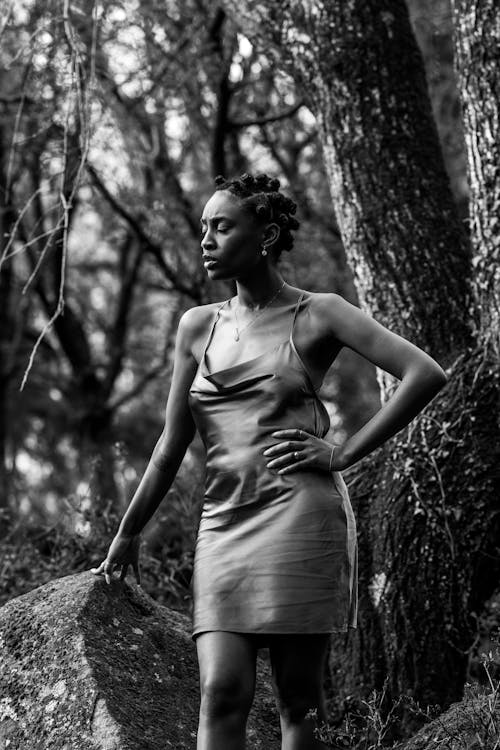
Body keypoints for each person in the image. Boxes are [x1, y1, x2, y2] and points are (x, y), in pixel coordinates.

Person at [91, 172, 448, 750]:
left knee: (297, 702)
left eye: (221, 226)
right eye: (204, 227)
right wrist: (129, 531)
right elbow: (170, 443)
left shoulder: (320, 313)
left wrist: (343, 453)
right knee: (221, 692)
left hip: (299, 519)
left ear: (267, 234)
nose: (205, 238)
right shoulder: (195, 326)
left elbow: (425, 374)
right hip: (222, 526)